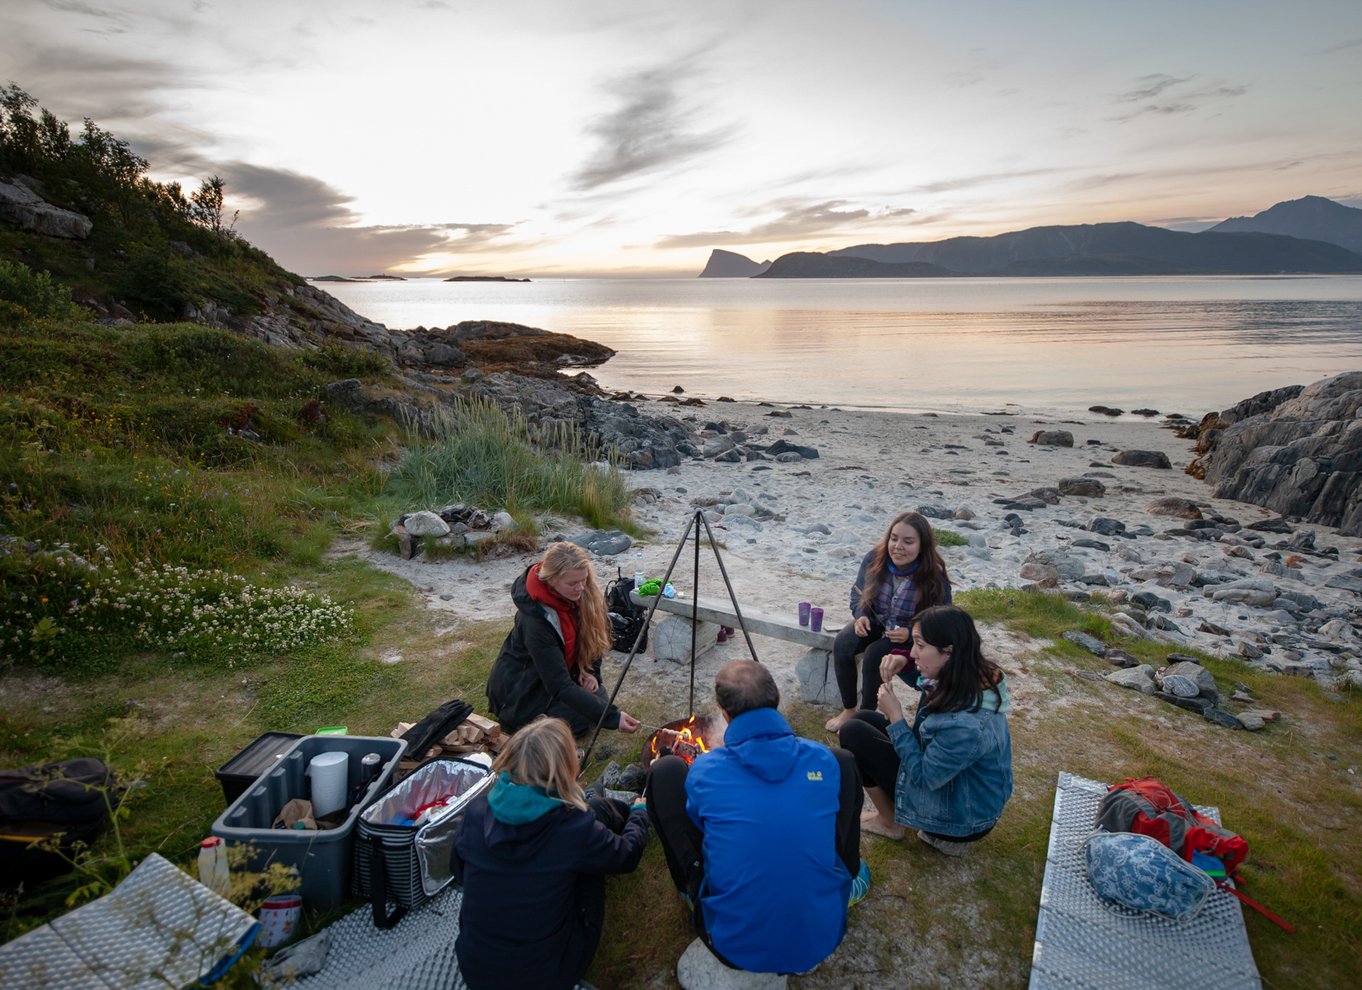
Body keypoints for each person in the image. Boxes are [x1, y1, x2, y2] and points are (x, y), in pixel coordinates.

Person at [647, 660, 870, 975]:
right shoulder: (821, 758)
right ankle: (846, 874)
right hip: (823, 933)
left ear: (724, 714)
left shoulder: (706, 770)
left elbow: (697, 827)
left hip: (733, 944)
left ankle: (691, 891)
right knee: (844, 762)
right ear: (776, 696)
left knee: (666, 771)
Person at [452, 716, 651, 990]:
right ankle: (612, 808)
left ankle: (599, 804)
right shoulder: (572, 828)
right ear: (564, 767)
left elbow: (459, 872)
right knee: (587, 868)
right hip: (547, 976)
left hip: (475, 968)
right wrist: (639, 814)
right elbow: (626, 856)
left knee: (585, 829)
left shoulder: (477, 813)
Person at [839, 604, 1013, 855]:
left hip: (961, 820)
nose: (913, 652)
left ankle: (890, 823)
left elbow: (924, 777)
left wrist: (896, 717)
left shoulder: (966, 724)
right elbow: (926, 698)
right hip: (957, 792)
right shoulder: (968, 677)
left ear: (949, 652)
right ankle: (890, 816)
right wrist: (904, 662)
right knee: (863, 719)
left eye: (919, 645)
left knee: (853, 734)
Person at [487, 542, 640, 737]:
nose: (580, 588)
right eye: (572, 583)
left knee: (597, 696)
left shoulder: (578, 596)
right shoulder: (535, 620)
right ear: (551, 579)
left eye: (583, 580)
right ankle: (522, 722)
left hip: (553, 677)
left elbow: (591, 641)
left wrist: (590, 673)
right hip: (520, 693)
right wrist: (613, 718)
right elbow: (558, 685)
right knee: (581, 721)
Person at [825, 510, 952, 734]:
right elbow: (857, 593)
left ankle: (865, 716)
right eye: (894, 539)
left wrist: (911, 632)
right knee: (843, 642)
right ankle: (849, 709)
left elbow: (942, 619)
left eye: (908, 541)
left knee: (875, 654)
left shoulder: (934, 574)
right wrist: (861, 615)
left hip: (911, 634)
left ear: (922, 545)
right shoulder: (875, 558)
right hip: (876, 620)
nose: (898, 546)